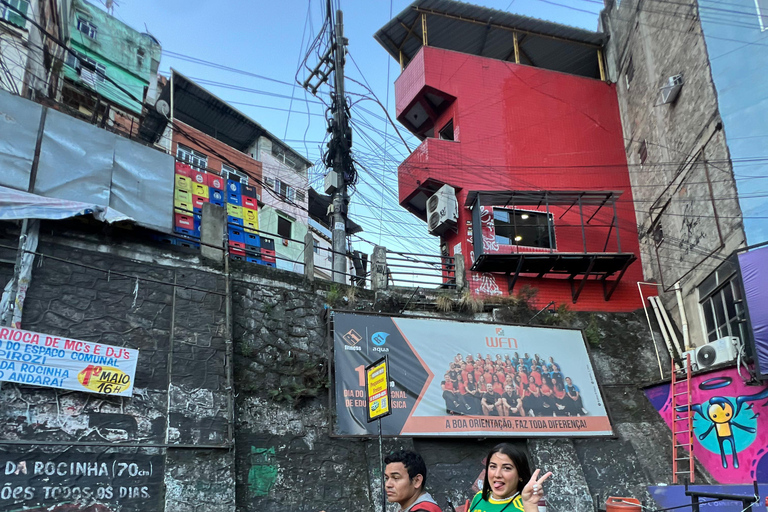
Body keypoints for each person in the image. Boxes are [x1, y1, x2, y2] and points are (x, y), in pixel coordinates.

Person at [467, 443, 552, 512]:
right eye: (493, 466)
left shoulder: (526, 506)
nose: (497, 474)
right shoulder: (479, 497)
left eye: (507, 468)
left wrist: (530, 507)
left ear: (520, 475)